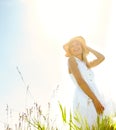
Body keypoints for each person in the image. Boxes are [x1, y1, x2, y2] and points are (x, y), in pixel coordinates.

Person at [48, 36, 114, 129]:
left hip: (95, 94)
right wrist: (95, 100)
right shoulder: (72, 60)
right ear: (70, 50)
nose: (75, 47)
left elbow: (101, 58)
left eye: (78, 44)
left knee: (104, 125)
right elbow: (80, 81)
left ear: (82, 47)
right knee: (91, 125)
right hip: (85, 97)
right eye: (72, 46)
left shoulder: (86, 64)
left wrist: (89, 48)